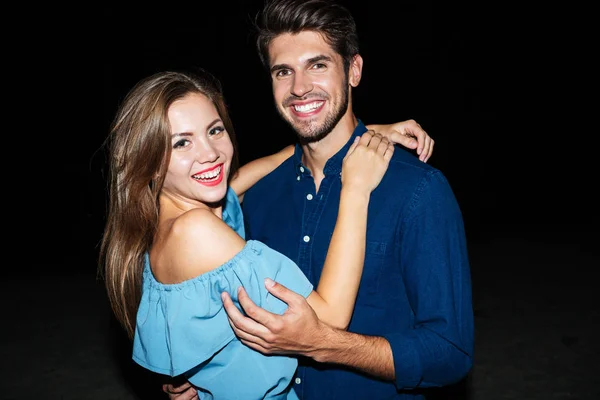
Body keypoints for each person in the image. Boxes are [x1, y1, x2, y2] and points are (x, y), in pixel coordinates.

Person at [167, 0, 474, 399]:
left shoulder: (417, 190)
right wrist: (200, 371)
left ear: (354, 70)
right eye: (283, 71)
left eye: (318, 65)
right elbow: (231, 311)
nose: (299, 87)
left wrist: (324, 343)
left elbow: (450, 353)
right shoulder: (255, 197)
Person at [99, 68, 438, 399]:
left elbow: (270, 164)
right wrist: (356, 188)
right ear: (148, 158)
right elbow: (329, 317)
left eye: (214, 130)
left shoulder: (167, 215)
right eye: (182, 142)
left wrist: (361, 136)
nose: (210, 153)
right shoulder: (196, 231)